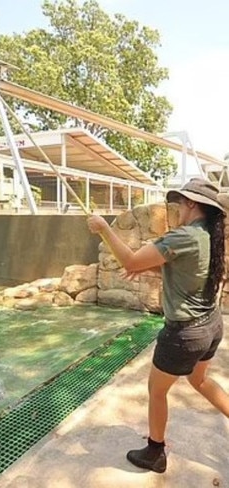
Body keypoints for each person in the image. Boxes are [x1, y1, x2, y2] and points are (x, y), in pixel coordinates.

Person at [87, 178, 229, 473]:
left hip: (185, 333)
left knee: (156, 390)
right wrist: (143, 265)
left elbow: (129, 260)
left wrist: (103, 228)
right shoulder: (206, 235)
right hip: (211, 325)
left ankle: (155, 452)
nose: (176, 207)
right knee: (199, 380)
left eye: (179, 201)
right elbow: (179, 266)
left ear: (191, 204)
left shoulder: (184, 236)